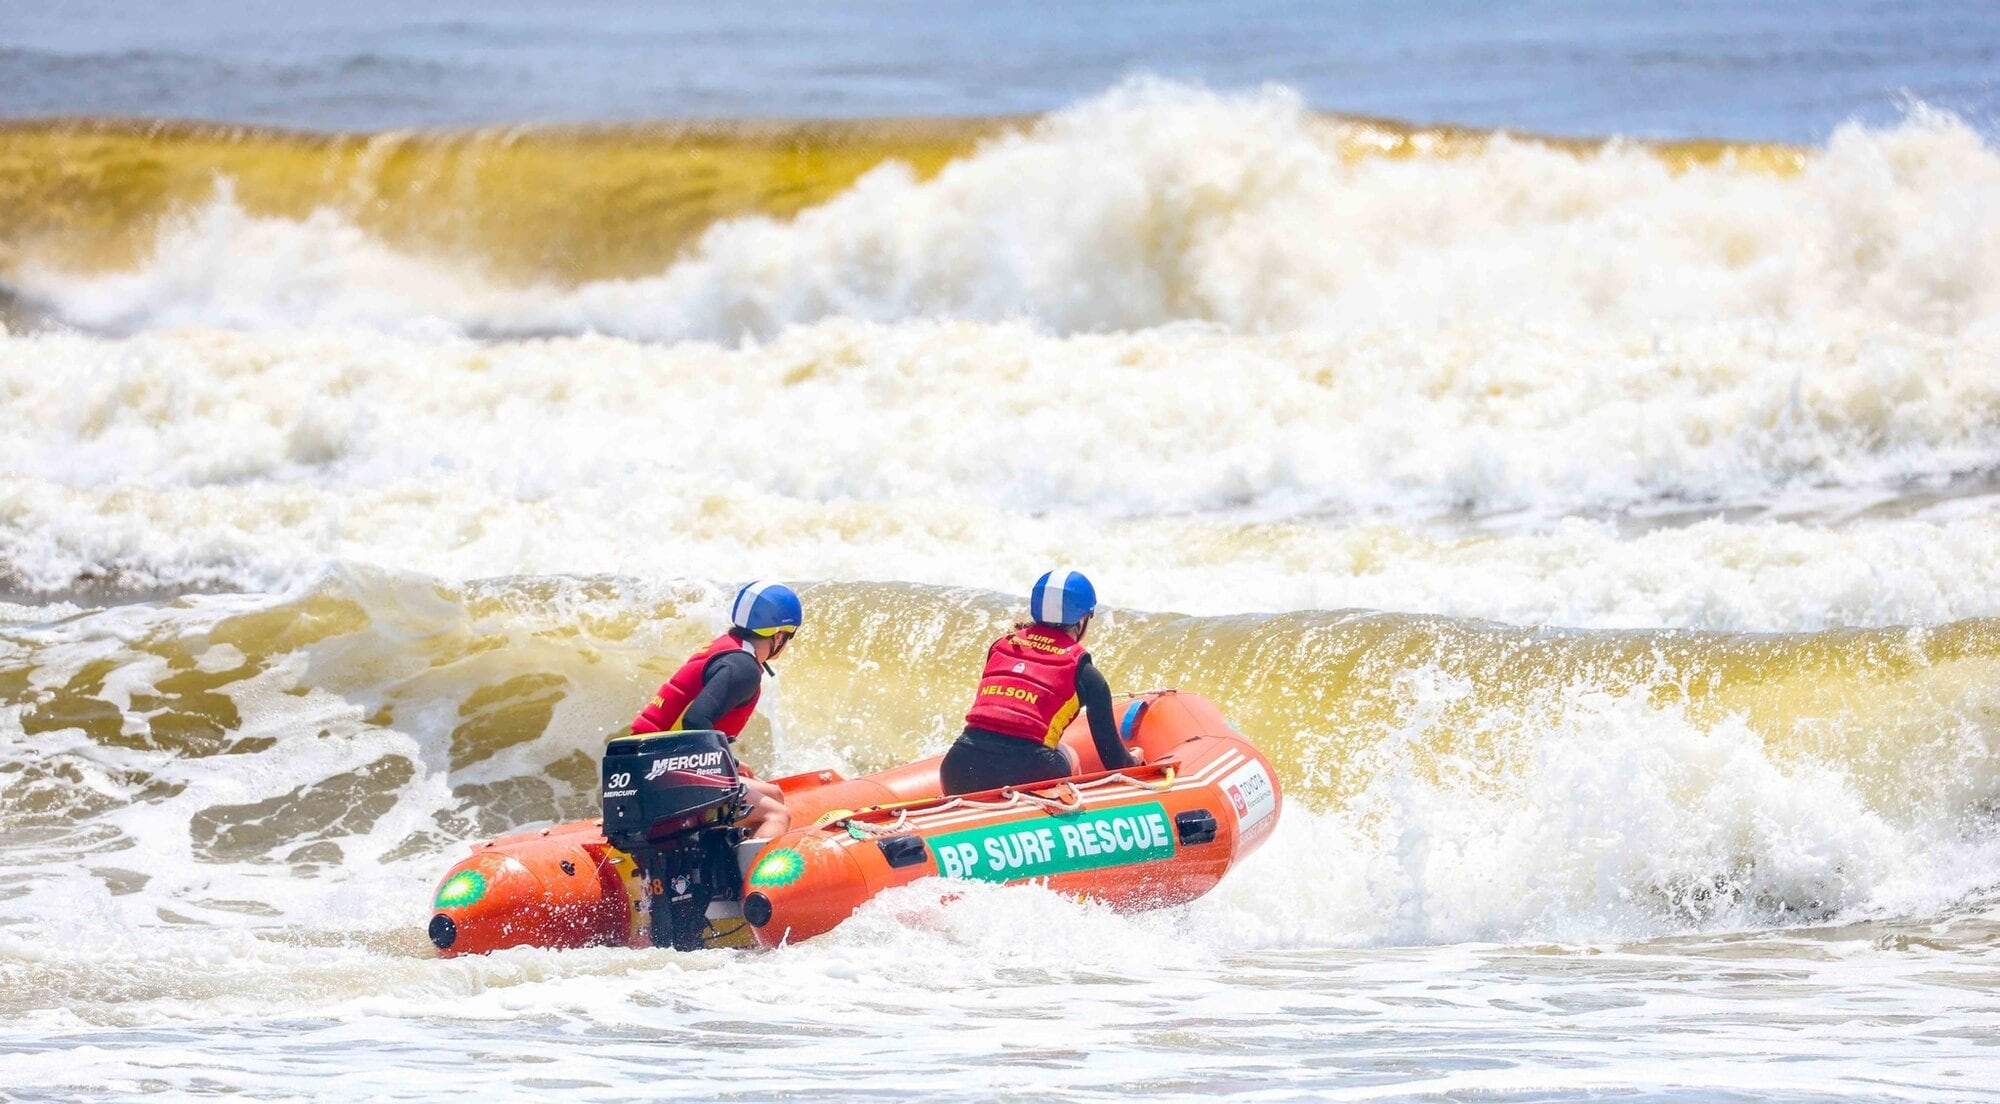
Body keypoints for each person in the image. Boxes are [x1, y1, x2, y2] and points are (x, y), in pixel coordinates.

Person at [940, 570, 1139, 795]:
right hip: (1031, 771)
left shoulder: (1001, 647)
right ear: (1083, 619)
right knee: (1069, 754)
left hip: (958, 767)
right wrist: (1135, 761)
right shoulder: (1086, 675)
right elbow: (1113, 760)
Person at [629, 581, 800, 840]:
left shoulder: (729, 647)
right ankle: (754, 880)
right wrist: (725, 763)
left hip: (649, 762)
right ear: (777, 635)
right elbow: (696, 720)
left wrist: (729, 764)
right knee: (776, 815)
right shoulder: (743, 667)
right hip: (662, 771)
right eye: (789, 636)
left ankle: (725, 854)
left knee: (772, 794)